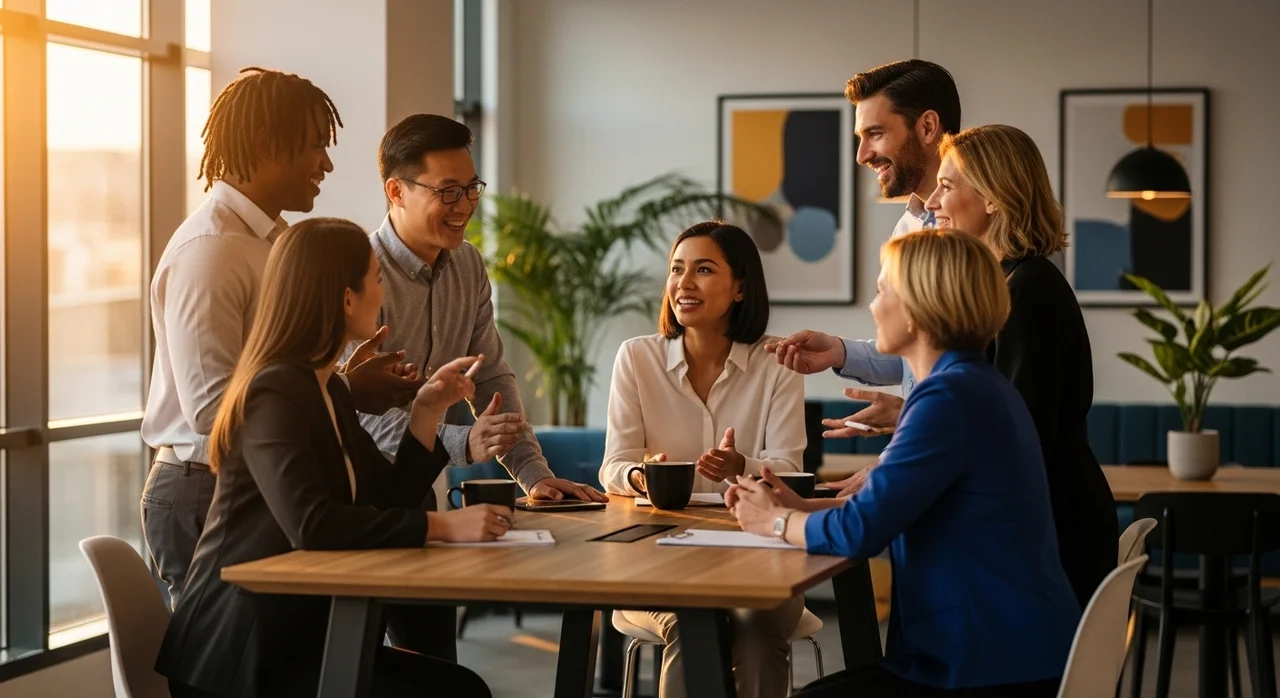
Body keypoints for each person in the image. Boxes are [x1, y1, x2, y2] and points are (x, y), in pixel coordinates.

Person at [156, 218, 501, 698]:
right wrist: (442, 526)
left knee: (463, 688)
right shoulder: (273, 391)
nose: (383, 295)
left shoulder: (328, 389)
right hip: (239, 652)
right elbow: (312, 524)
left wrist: (425, 408)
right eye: (377, 280)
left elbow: (388, 494)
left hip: (299, 637)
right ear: (345, 298)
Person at [730, 229, 1079, 697]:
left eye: (881, 292)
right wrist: (800, 507)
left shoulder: (947, 398)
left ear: (917, 308)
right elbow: (886, 507)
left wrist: (777, 522)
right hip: (1012, 650)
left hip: (987, 664)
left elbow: (862, 532)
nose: (873, 308)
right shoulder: (976, 384)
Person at [140, 67, 424, 608]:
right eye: (316, 144)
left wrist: (341, 385)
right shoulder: (213, 248)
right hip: (204, 487)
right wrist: (332, 393)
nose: (327, 162)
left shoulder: (273, 240)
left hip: (250, 482)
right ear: (270, 145)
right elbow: (209, 408)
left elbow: (273, 378)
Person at [599, 222, 807, 698]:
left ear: (740, 289)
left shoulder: (777, 362)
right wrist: (641, 474)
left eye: (703, 270)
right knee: (692, 624)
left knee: (756, 629)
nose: (683, 284)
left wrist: (743, 467)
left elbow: (791, 473)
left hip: (758, 556)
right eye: (676, 270)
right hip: (656, 558)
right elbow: (613, 466)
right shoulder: (636, 358)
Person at [922, 124, 1118, 605]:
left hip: (1051, 532)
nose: (931, 201)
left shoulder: (1026, 292)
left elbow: (1019, 433)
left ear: (992, 198)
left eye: (946, 186)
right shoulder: (1014, 284)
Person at [765, 60, 962, 496]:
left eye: (875, 133)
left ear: (927, 127)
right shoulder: (909, 226)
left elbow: (979, 382)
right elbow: (923, 348)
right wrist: (838, 352)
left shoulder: (976, 236)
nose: (862, 155)